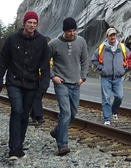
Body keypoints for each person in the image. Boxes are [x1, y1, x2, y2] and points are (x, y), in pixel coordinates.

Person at [0, 10, 51, 161]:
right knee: (17, 111)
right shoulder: (12, 40)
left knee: (25, 114)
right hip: (14, 81)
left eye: (34, 23)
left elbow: (45, 65)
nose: (32, 25)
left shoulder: (41, 42)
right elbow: (3, 60)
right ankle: (13, 148)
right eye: (29, 22)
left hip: (32, 83)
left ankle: (19, 145)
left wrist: (44, 85)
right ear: (24, 23)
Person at [48, 17, 89, 156]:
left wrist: (83, 77)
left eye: (74, 30)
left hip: (76, 83)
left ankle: (57, 131)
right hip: (61, 83)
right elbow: (44, 61)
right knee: (65, 113)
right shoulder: (54, 44)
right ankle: (62, 144)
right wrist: (53, 76)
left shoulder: (81, 41)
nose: (73, 33)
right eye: (70, 31)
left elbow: (84, 59)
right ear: (64, 31)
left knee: (73, 113)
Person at [91, 27, 128, 125]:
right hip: (106, 77)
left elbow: (130, 58)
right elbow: (94, 59)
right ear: (107, 37)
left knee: (119, 97)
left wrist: (124, 68)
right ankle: (107, 118)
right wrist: (101, 68)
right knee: (106, 98)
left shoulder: (122, 47)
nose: (113, 37)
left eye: (114, 35)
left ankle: (114, 110)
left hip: (118, 78)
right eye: (110, 35)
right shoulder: (102, 48)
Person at [28, 36, 51, 126]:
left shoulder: (48, 53)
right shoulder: (34, 52)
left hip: (43, 77)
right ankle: (38, 116)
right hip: (34, 78)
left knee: (37, 97)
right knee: (36, 97)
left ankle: (33, 115)